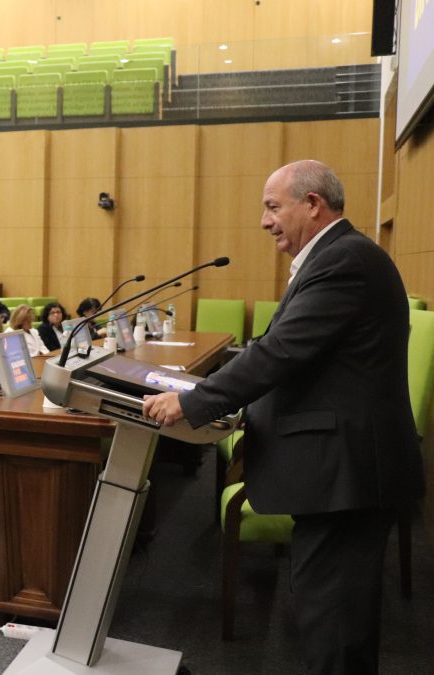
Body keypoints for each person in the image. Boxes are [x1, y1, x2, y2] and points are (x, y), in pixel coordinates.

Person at [142, 160, 423, 674]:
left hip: (348, 474)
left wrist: (194, 401)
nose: (265, 221)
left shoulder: (345, 261)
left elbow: (282, 351)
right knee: (333, 618)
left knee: (334, 625)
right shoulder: (340, 256)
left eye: (273, 207)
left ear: (312, 204)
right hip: (342, 469)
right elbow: (282, 346)